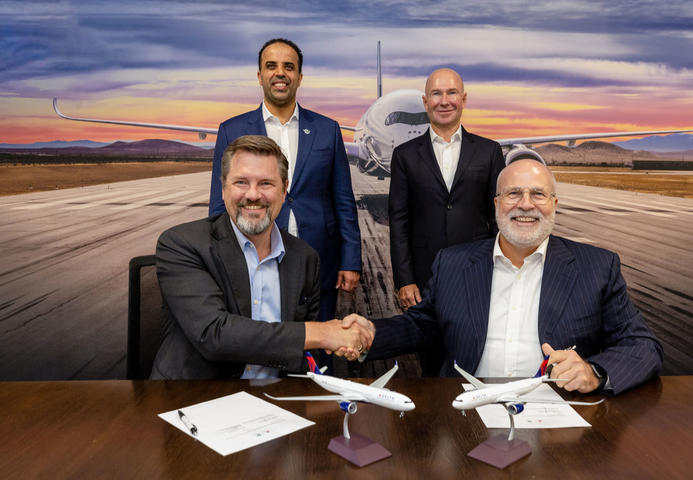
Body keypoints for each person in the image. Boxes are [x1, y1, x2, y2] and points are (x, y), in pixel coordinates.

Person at [344, 159, 663, 395]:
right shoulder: (453, 263)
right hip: (466, 407)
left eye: (538, 194)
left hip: (558, 413)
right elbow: (423, 326)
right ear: (496, 204)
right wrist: (365, 336)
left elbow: (642, 346)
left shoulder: (597, 267)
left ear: (555, 204)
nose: (526, 204)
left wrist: (595, 372)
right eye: (513, 193)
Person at [151, 136, 370, 380]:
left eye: (266, 183)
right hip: (194, 399)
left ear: (284, 190)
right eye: (241, 182)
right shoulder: (182, 244)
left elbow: (306, 356)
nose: (253, 195)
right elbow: (214, 335)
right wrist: (323, 333)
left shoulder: (306, 259)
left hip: (279, 399)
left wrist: (350, 339)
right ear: (223, 188)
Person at [208, 38, 361, 326]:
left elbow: (343, 200)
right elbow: (220, 203)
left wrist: (350, 259)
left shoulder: (327, 130)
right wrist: (218, 260)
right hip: (252, 256)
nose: (280, 73)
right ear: (259, 76)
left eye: (288, 67)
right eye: (271, 66)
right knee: (261, 338)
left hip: (317, 257)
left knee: (317, 342)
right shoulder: (232, 130)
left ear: (299, 77)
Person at [388, 68, 505, 375]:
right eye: (436, 94)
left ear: (463, 99)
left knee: (477, 361)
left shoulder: (489, 152)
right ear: (425, 102)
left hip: (479, 275)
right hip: (426, 281)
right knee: (430, 365)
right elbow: (399, 221)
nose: (444, 101)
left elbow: (498, 219)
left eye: (451, 93)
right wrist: (404, 279)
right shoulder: (404, 156)